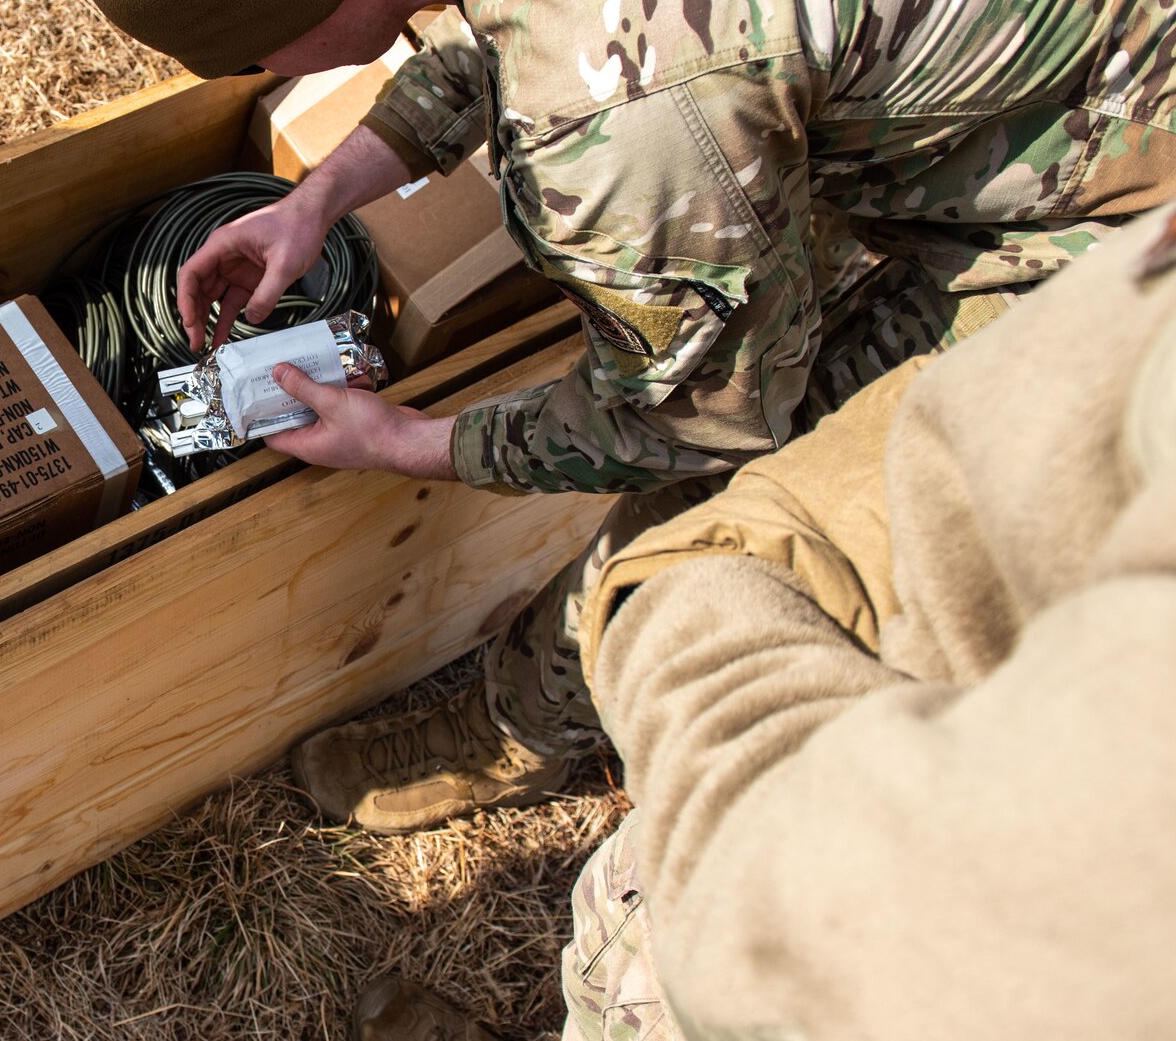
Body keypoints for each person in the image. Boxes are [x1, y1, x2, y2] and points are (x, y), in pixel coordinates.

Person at [42, 0, 1176, 832]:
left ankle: (518, 727)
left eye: (243, 51)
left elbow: (699, 420)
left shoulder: (617, 130)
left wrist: (409, 443)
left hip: (1129, 146)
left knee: (750, 507)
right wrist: (323, 193)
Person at [355, 199, 1176, 1038]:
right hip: (817, 760)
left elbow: (893, 936)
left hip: (823, 932)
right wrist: (747, 545)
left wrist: (683, 614)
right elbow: (967, 440)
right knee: (623, 928)